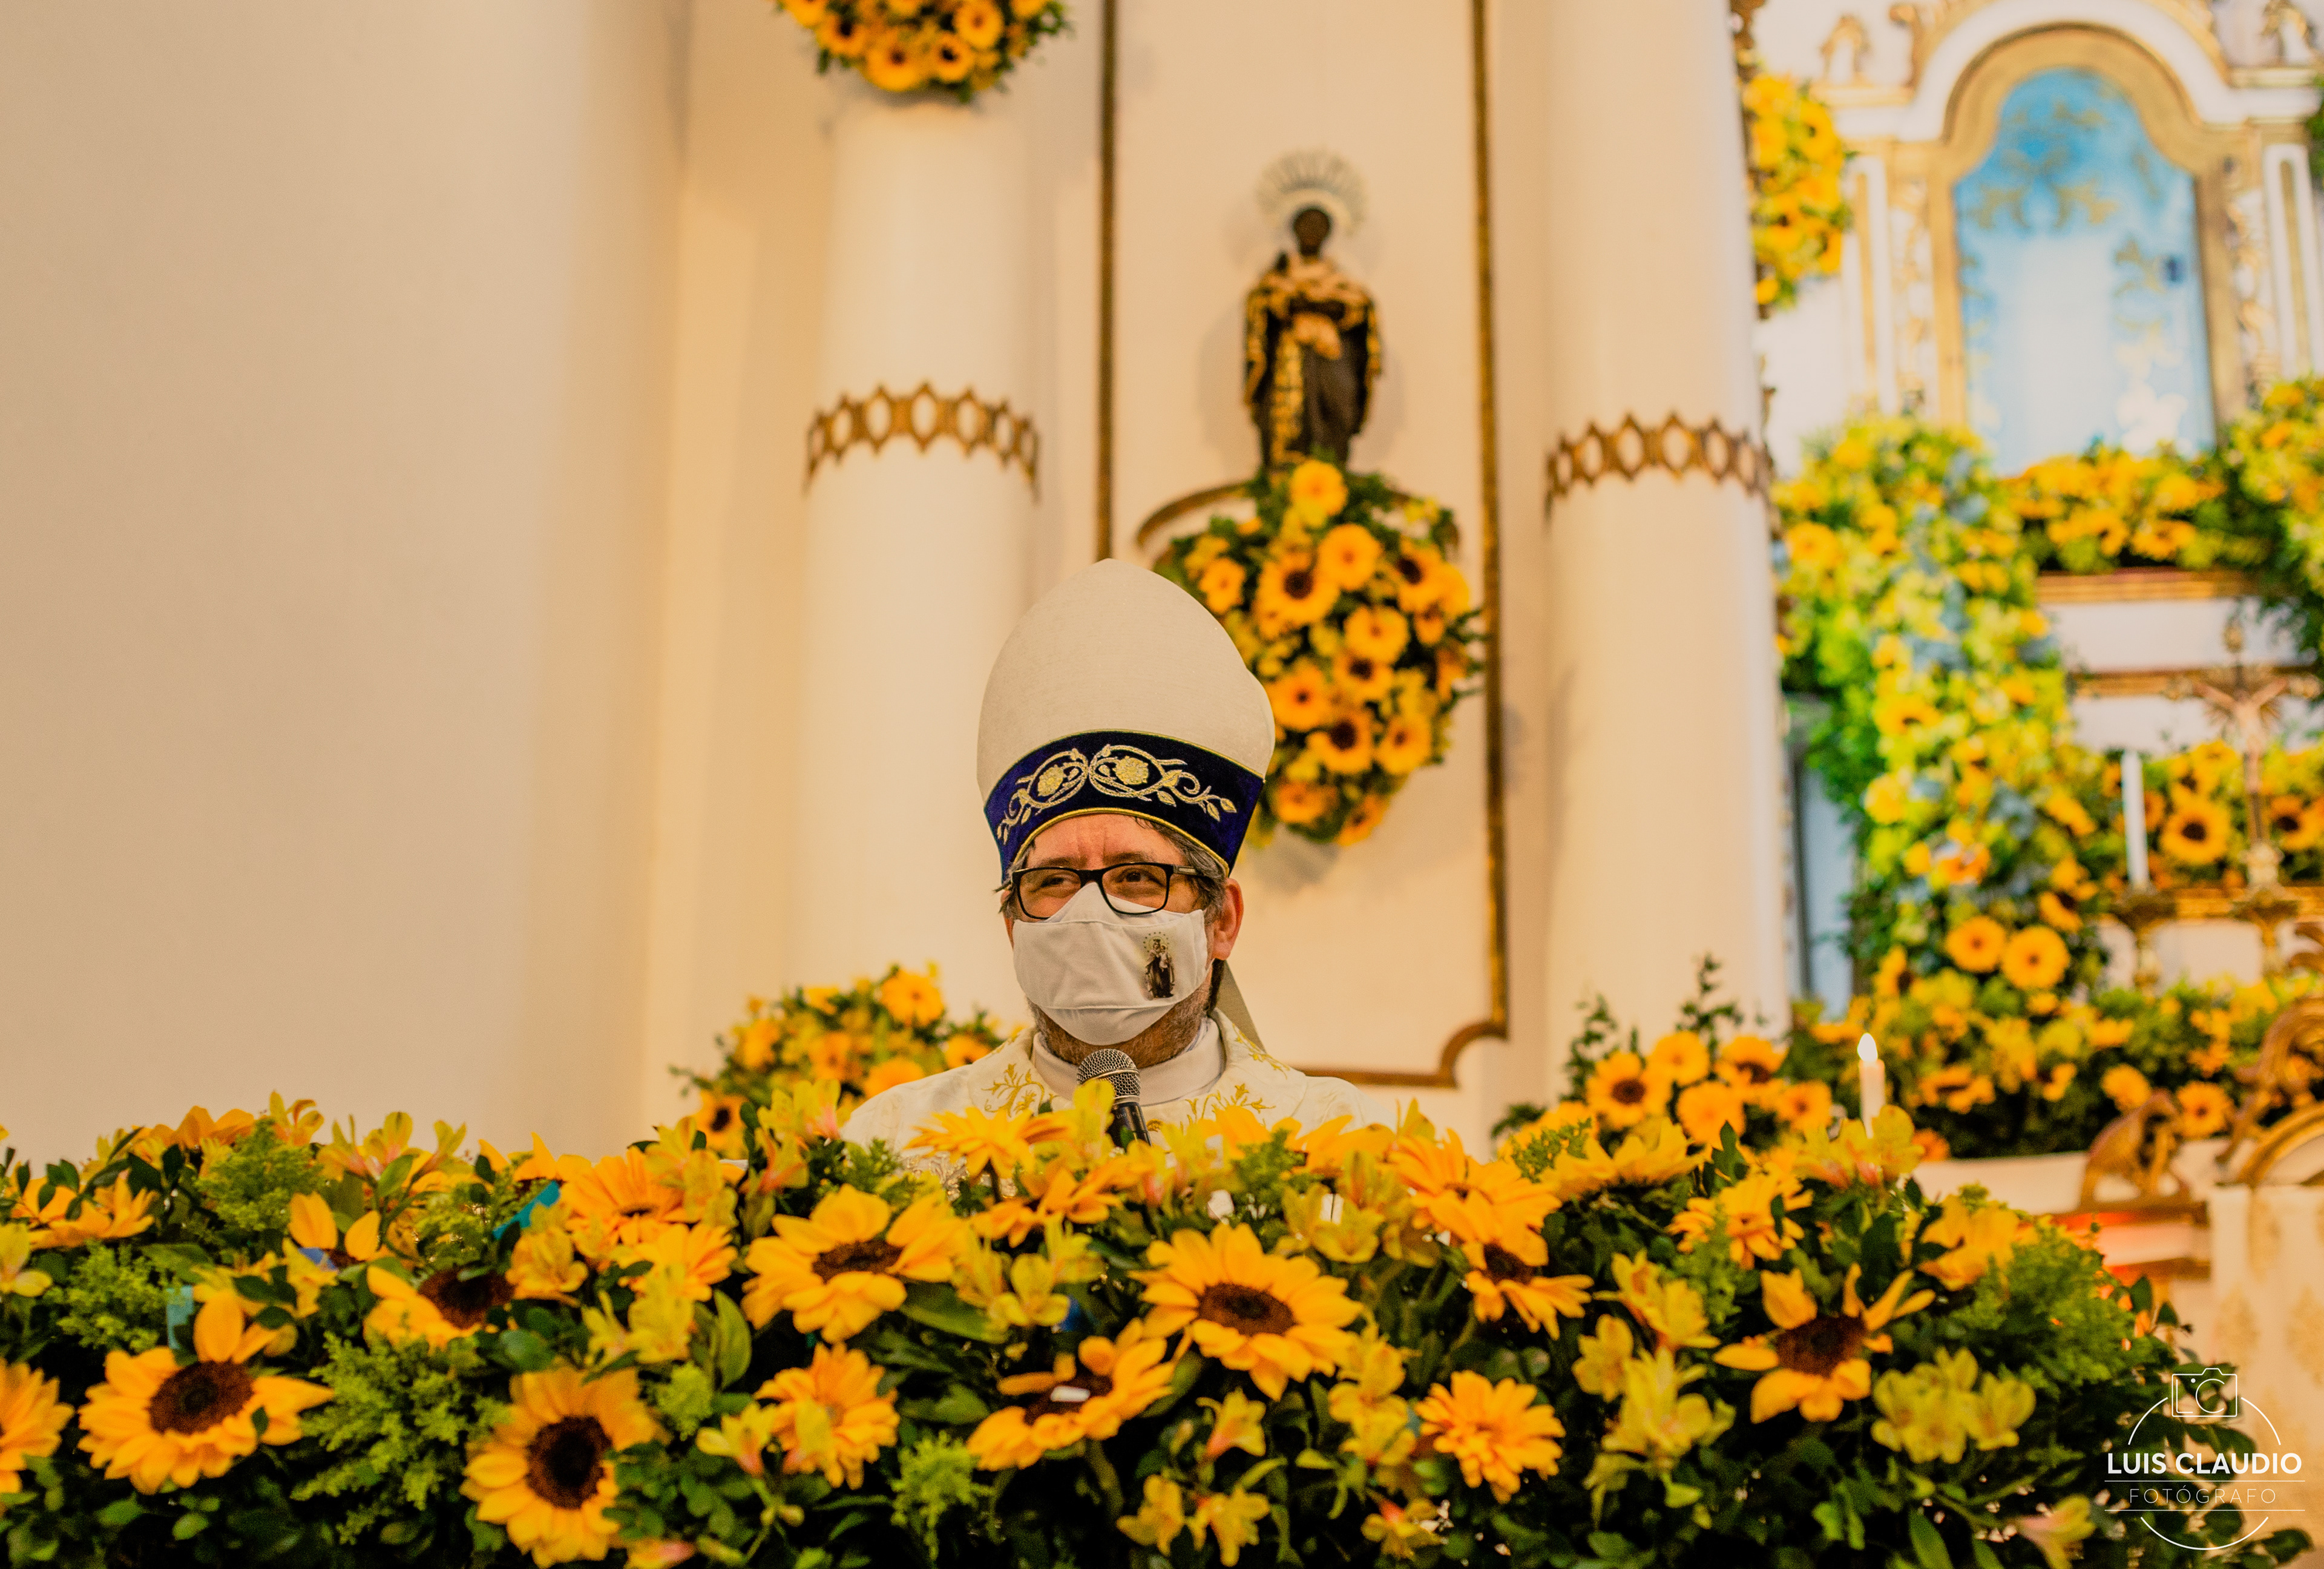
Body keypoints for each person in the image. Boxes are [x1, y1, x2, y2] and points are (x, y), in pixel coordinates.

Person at [844, 559, 1392, 1166]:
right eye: (1053, 880)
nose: (1090, 912)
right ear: (1013, 928)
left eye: (1136, 877)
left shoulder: (1337, 1143)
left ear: (1221, 921)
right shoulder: (897, 1142)